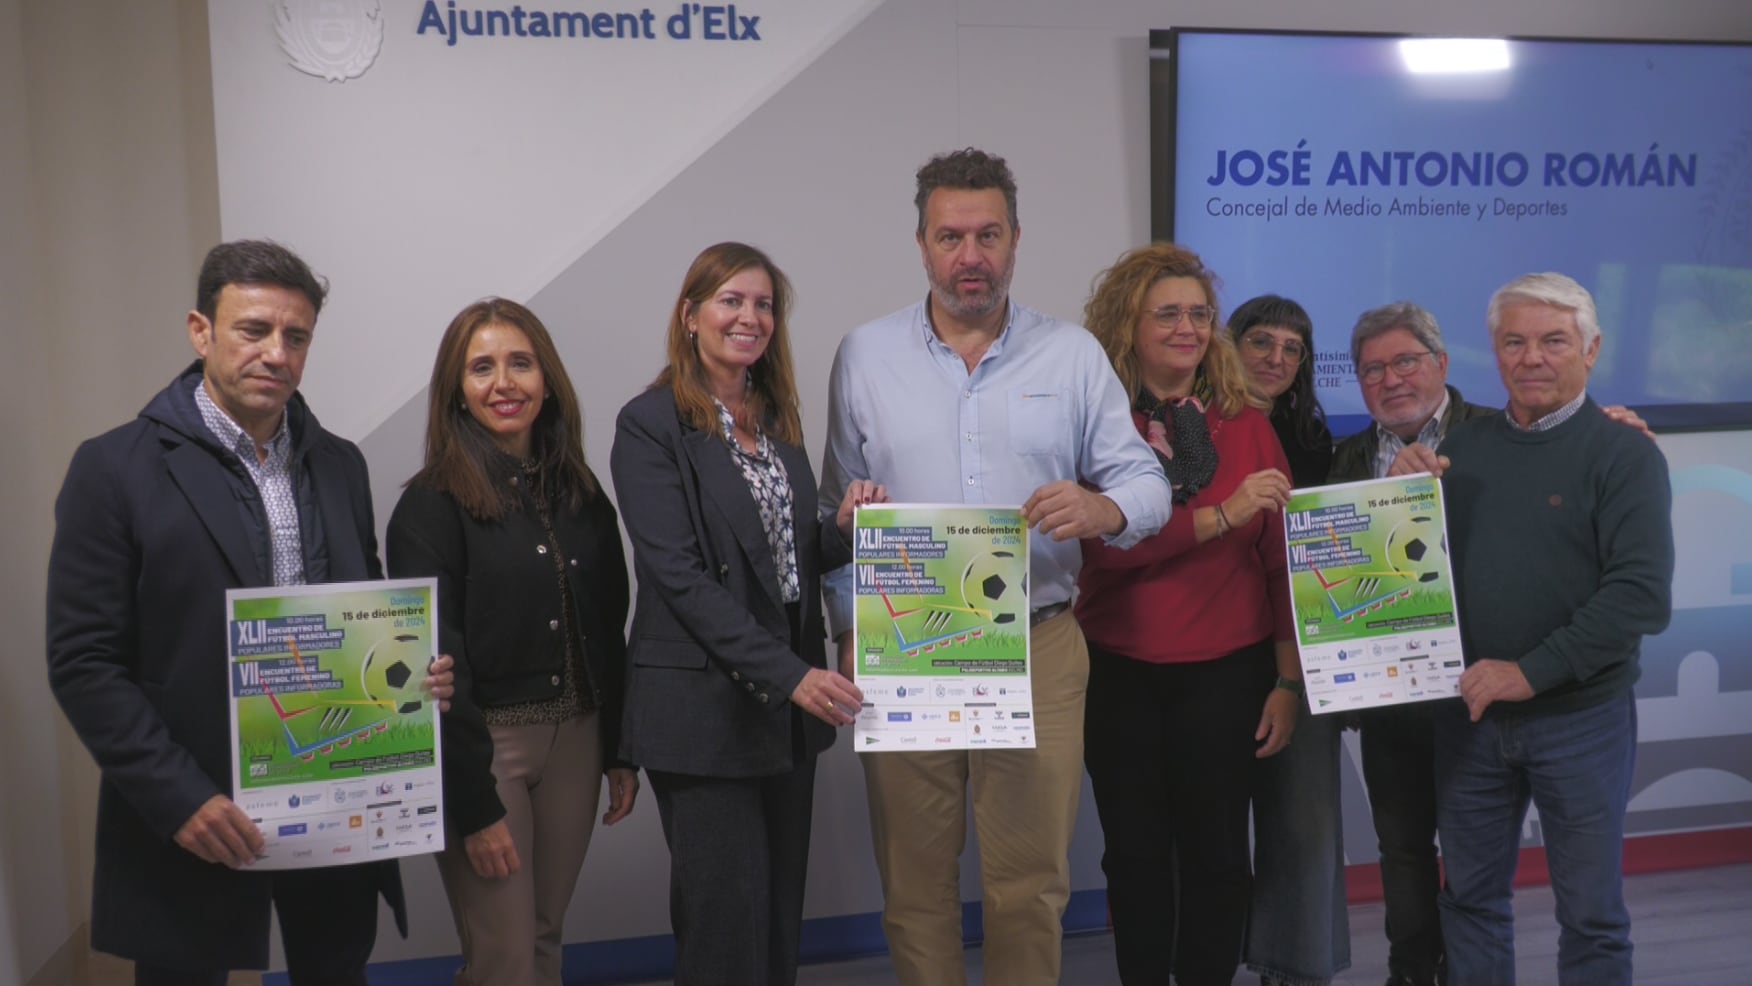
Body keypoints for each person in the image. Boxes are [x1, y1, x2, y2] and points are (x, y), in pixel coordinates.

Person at [46, 240, 453, 985]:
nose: (276, 353)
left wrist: (414, 672)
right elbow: (84, 661)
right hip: (196, 806)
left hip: (334, 793)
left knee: (335, 970)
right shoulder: (114, 468)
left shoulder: (340, 463)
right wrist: (179, 798)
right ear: (201, 331)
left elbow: (361, 615)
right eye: (253, 330)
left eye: (296, 337)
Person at [819, 148, 1171, 986]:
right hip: (905, 649)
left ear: (1016, 241)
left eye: (987, 235)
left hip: (1038, 646)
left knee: (1030, 886)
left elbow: (1145, 481)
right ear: (921, 244)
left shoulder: (1073, 354)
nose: (969, 256)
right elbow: (835, 511)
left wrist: (1104, 510)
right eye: (950, 236)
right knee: (914, 885)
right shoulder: (864, 355)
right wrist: (846, 628)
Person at [1393, 274, 1673, 985]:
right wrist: (1397, 498)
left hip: (1579, 718)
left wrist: (1528, 672)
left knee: (1592, 916)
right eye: (1514, 342)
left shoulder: (1624, 452)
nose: (1533, 358)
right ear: (1494, 351)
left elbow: (1640, 598)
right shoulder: (1462, 450)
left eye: (1554, 341)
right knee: (1471, 903)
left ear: (1591, 348)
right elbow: (1413, 578)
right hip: (1472, 718)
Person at [611, 242, 879, 985]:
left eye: (764, 305)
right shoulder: (650, 424)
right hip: (702, 714)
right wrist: (794, 675)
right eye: (731, 300)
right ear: (691, 315)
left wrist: (841, 533)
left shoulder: (774, 418)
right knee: (725, 926)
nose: (749, 317)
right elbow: (679, 576)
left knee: (776, 918)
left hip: (784, 715)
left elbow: (783, 562)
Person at [385, 298, 637, 986]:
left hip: (577, 744)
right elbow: (433, 662)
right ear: (456, 392)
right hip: (485, 750)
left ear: (547, 380)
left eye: (521, 363)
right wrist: (471, 800)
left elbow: (608, 630)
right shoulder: (429, 506)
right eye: (482, 367)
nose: (504, 382)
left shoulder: (584, 495)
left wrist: (618, 749)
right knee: (504, 956)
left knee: (546, 937)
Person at [1074, 243, 1301, 986]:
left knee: (1218, 856)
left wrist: (1287, 684)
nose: (1188, 327)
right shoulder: (1093, 427)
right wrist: (1218, 517)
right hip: (1119, 672)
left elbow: (1280, 565)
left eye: (1200, 314)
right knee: (1133, 855)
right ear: (1126, 324)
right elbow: (1105, 550)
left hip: (1228, 674)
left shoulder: (1247, 425)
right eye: (1166, 313)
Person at [1330, 301, 1495, 986]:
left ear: (1441, 364)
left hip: (1478, 682)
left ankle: (1474, 966)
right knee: (1400, 845)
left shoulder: (1495, 435)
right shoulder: (1344, 457)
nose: (1391, 378)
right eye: (1373, 368)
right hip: (1388, 685)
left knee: (1473, 844)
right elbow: (1333, 566)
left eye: (1405, 361)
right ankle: (1411, 969)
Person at [1228, 294, 1349, 986]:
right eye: (1262, 342)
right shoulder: (1188, 422)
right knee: (1210, 830)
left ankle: (1296, 971)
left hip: (1301, 653)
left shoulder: (1312, 435)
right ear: (1231, 343)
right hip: (1214, 648)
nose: (1277, 358)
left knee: (1304, 827)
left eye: (1293, 348)